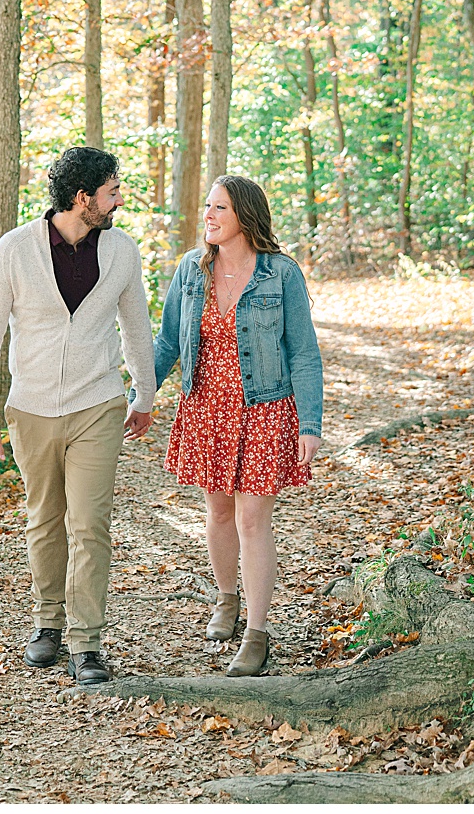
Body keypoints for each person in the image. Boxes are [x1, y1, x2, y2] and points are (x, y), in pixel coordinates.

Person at [0, 146, 156, 685]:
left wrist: (143, 393)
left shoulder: (121, 250)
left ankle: (86, 642)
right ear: (83, 198)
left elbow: (136, 325)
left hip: (97, 403)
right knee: (45, 519)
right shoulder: (13, 251)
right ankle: (48, 623)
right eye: (112, 191)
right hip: (30, 410)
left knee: (90, 522)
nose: (118, 200)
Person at [152, 175, 323, 677]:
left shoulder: (281, 274)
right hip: (207, 407)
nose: (208, 215)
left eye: (219, 207)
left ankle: (257, 632)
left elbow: (305, 353)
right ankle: (226, 598)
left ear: (244, 216)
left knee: (253, 520)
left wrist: (309, 425)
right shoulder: (190, 269)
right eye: (207, 205)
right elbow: (166, 342)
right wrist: (139, 396)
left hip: (265, 409)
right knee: (220, 514)